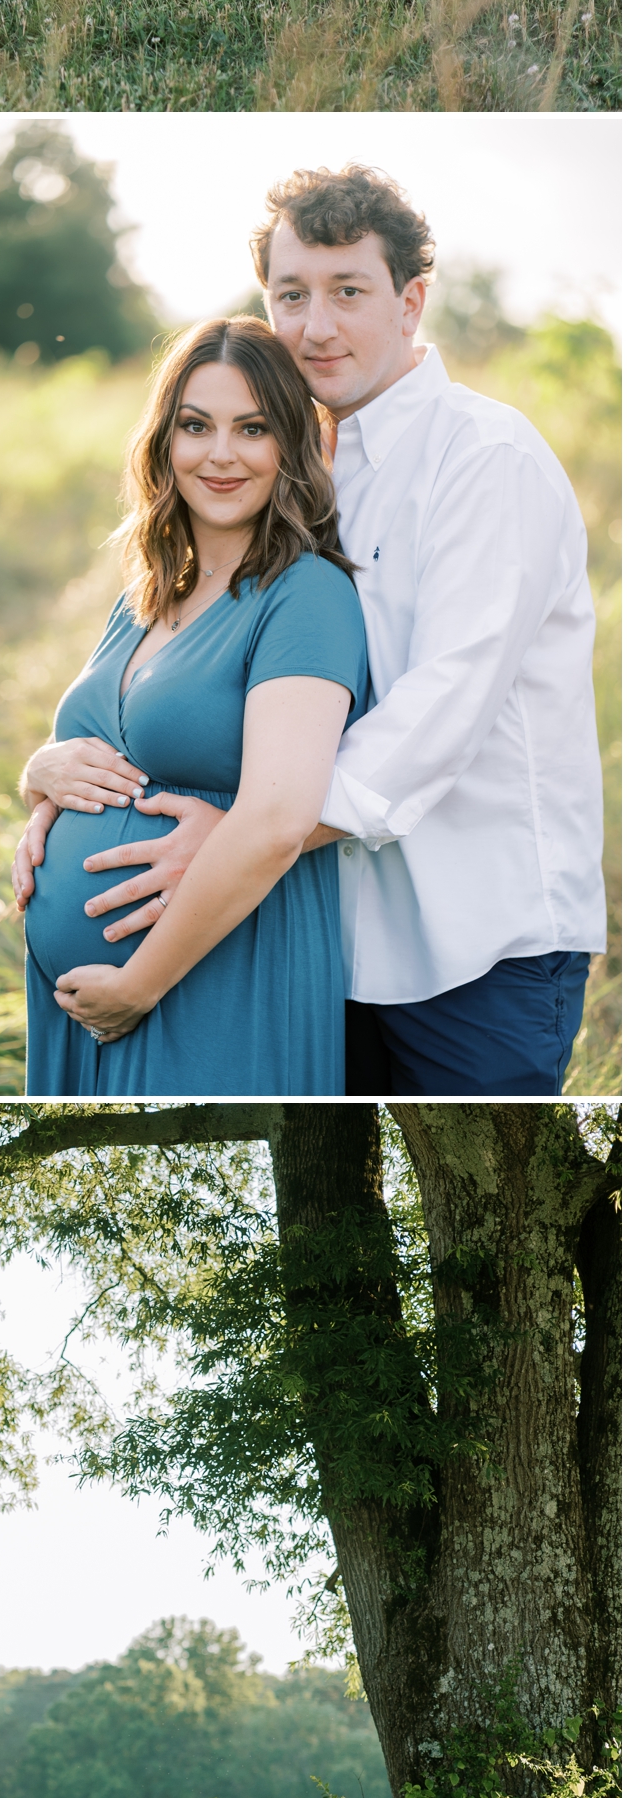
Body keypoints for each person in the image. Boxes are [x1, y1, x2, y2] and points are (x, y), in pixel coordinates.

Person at [29, 166, 606, 1100]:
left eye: (349, 292)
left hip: (473, 942)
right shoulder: (303, 467)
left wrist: (243, 839)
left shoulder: (484, 460)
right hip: (324, 942)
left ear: (411, 300)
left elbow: (441, 712)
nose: (315, 326)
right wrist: (49, 767)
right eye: (291, 295)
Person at [14, 319, 368, 1095]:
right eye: (195, 426)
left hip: (212, 969)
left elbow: (277, 823)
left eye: (253, 429)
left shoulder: (305, 596)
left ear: (291, 447)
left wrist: (138, 983)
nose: (220, 454)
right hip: (88, 1000)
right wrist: (40, 779)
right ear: (163, 441)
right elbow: (99, 747)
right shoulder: (144, 596)